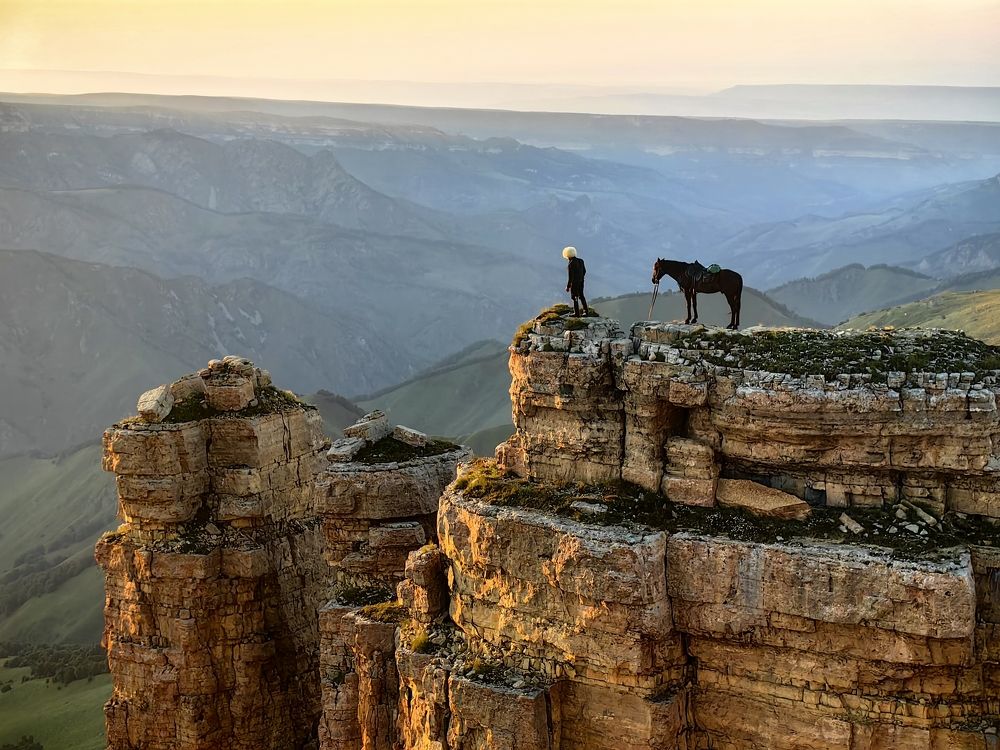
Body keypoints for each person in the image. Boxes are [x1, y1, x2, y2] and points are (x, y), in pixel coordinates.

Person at [563, 246, 588, 317]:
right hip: (581, 281)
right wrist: (581, 278)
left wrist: (568, 286)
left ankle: (576, 313)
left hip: (575, 283)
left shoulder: (571, 264)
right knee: (582, 296)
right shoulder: (581, 261)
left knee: (575, 297)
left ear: (568, 255)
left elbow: (570, 277)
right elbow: (584, 271)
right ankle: (586, 311)